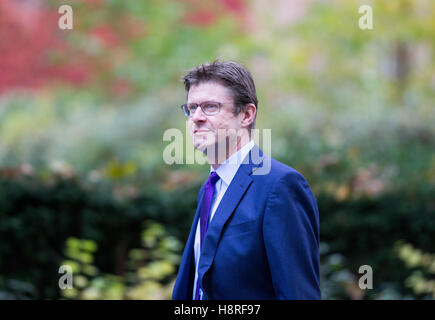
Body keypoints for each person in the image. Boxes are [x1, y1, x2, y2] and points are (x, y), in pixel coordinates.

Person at [172, 60, 321, 300]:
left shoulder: (280, 186)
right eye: (191, 108)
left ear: (246, 114)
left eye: (210, 107)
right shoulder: (209, 189)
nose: (196, 117)